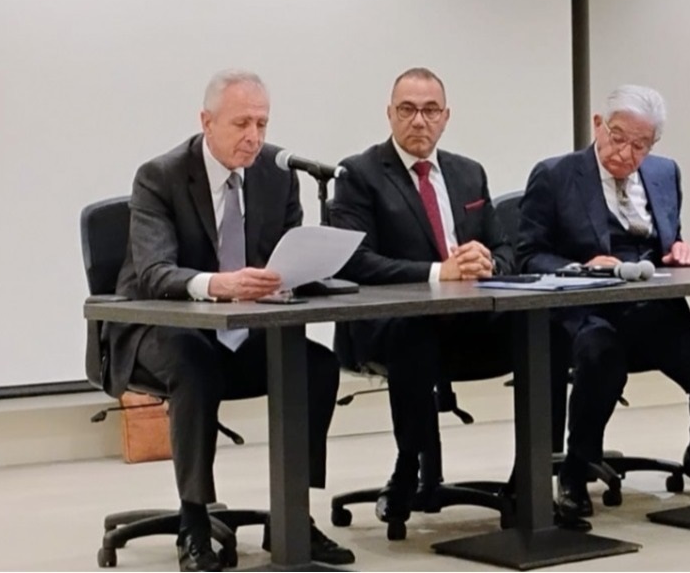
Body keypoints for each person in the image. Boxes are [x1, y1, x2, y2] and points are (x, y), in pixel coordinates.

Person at [102, 69, 353, 570]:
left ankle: (292, 515)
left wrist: (290, 277)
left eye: (262, 123)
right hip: (158, 330)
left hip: (240, 330)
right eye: (241, 123)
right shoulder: (160, 176)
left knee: (317, 366)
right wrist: (219, 284)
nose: (254, 137)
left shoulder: (277, 174)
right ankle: (194, 521)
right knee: (193, 363)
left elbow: (285, 254)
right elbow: (154, 273)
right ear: (206, 122)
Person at [516, 84, 690, 518]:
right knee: (602, 357)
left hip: (650, 307)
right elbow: (528, 255)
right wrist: (583, 267)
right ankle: (575, 471)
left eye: (640, 145)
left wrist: (680, 251)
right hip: (585, 309)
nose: (627, 153)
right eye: (618, 138)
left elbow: (667, 238)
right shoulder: (555, 175)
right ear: (598, 125)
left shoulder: (665, 173)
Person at [329, 67, 518, 527]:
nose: (419, 120)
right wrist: (439, 272)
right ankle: (408, 465)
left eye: (431, 110)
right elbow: (356, 261)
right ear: (390, 114)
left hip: (467, 321)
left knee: (540, 327)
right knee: (414, 335)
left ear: (446, 117)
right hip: (392, 324)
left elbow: (507, 248)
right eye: (408, 110)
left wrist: (489, 263)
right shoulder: (359, 174)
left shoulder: (468, 173)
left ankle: (532, 472)